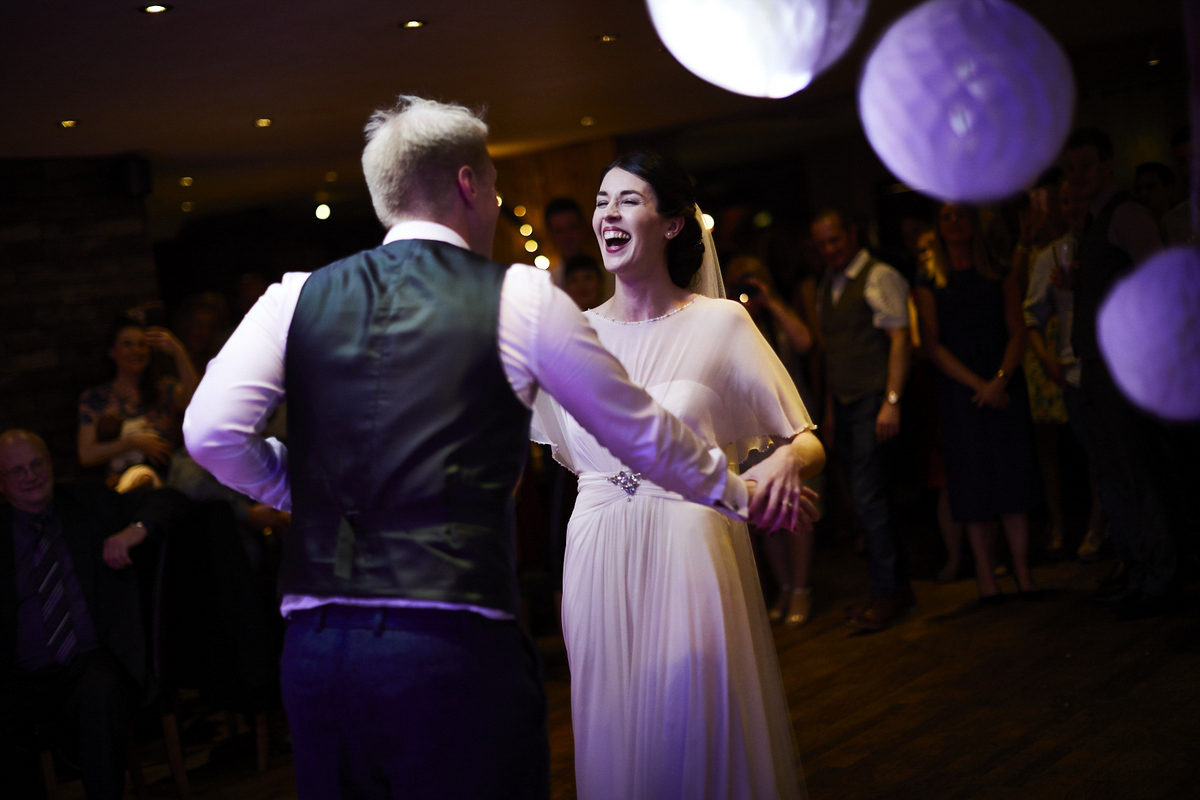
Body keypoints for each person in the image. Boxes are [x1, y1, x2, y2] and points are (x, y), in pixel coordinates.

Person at [183, 97, 767, 799]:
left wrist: (298, 493)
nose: (494, 202)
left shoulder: (295, 297)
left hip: (317, 648)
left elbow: (209, 434)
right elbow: (637, 431)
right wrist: (735, 492)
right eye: (493, 185)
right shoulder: (520, 298)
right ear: (467, 185)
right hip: (450, 646)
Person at [532, 151, 823, 799]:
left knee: (691, 724)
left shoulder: (722, 324)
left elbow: (806, 441)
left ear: (670, 224)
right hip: (598, 552)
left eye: (627, 200)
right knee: (615, 730)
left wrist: (785, 457)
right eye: (601, 200)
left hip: (691, 547)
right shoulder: (570, 337)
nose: (607, 212)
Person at [1, 428, 183, 799]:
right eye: (18, 471)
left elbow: (170, 500)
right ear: (1, 483)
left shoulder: (87, 503)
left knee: (101, 692)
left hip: (88, 661)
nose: (31, 475)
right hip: (19, 673)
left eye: (37, 464)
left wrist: (135, 530)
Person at [1061, 127, 1172, 618]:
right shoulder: (1090, 222)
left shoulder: (1125, 213)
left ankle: (1159, 577)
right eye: (1072, 168)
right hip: (1098, 367)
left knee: (1133, 473)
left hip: (1124, 366)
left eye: (1087, 166)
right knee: (1115, 476)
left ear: (1107, 166)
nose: (1079, 176)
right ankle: (1138, 570)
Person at [913, 204, 1040, 602]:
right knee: (972, 481)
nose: (954, 222)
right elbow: (933, 346)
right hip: (960, 389)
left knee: (1012, 477)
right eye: (946, 217)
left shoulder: (998, 270)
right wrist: (980, 386)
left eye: (961, 215)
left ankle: (1023, 573)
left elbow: (1017, 329)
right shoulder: (929, 279)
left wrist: (999, 380)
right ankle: (986, 576)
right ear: (938, 225)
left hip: (1002, 383)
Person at [810, 209, 914, 631]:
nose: (829, 250)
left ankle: (888, 595)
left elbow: (900, 337)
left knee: (872, 499)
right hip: (847, 404)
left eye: (835, 240)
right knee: (863, 501)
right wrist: (832, 412)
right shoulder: (828, 284)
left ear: (853, 234)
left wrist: (892, 400)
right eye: (821, 244)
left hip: (873, 400)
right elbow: (835, 353)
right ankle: (887, 589)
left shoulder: (878, 274)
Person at [724, 255, 820, 627]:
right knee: (763, 508)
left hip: (788, 423)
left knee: (792, 503)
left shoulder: (775, 319)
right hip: (749, 427)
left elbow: (806, 342)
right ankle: (783, 586)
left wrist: (771, 303)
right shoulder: (731, 323)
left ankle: (800, 588)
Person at [77, 317, 198, 487]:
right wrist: (135, 442)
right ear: (112, 352)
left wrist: (178, 351)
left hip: (169, 478)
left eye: (142, 344)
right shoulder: (96, 397)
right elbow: (87, 454)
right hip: (122, 483)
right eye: (128, 344)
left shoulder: (164, 389)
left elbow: (197, 402)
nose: (136, 350)